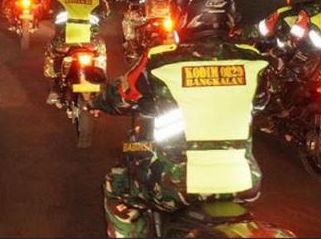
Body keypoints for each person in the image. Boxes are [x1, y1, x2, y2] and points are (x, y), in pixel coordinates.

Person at [91, 16, 270, 237]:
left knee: (116, 185)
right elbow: (260, 103)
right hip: (243, 183)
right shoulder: (253, 59)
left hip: (178, 184)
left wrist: (97, 100)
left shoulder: (162, 58)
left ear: (185, 18)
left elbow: (120, 96)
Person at [44, 0, 110, 105]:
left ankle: (55, 88)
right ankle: (101, 78)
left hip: (64, 41)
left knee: (51, 51)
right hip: (90, 42)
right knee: (102, 50)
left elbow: (49, 8)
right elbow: (106, 13)